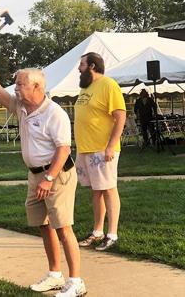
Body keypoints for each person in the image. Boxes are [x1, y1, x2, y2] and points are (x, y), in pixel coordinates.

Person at [0, 38, 86, 297]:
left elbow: (64, 149)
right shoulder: (20, 107)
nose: (15, 88)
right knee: (43, 225)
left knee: (63, 227)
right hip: (36, 175)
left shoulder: (54, 113)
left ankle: (77, 281)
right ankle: (55, 275)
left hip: (56, 175)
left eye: (20, 84)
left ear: (37, 87)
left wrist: (48, 178)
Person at [75, 52, 126, 251]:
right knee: (96, 191)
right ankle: (97, 232)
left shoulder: (108, 85)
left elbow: (120, 116)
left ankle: (112, 234)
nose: (79, 69)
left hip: (102, 149)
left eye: (82, 65)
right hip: (86, 149)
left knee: (108, 188)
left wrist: (111, 146)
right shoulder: (86, 88)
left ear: (92, 66)